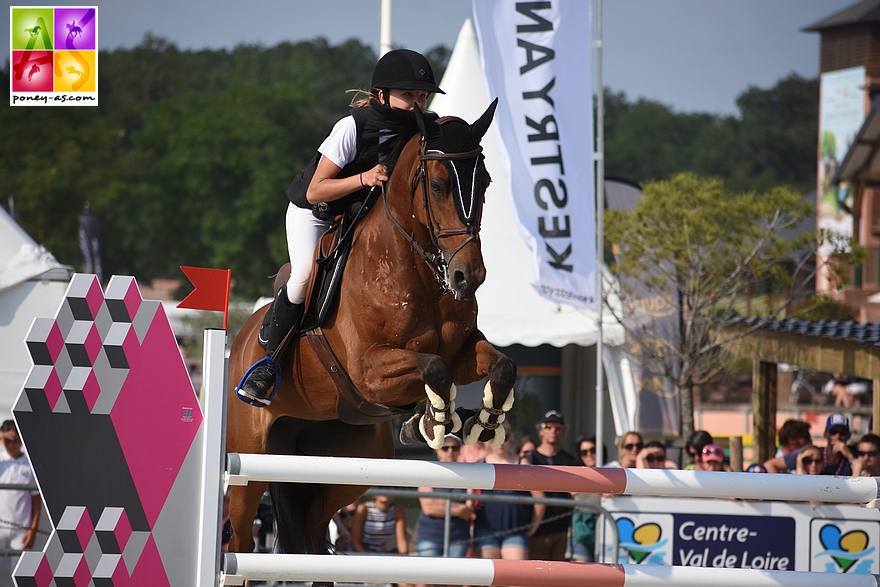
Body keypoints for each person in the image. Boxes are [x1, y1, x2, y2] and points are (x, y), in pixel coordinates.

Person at [237, 48, 445, 406]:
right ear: (382, 95)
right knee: (303, 276)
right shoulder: (352, 127)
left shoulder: (422, 129)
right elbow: (318, 188)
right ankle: (268, 363)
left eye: (422, 96)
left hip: (364, 216)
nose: (417, 104)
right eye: (408, 95)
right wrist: (364, 178)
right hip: (316, 212)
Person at [472, 424, 544, 562]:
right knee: (489, 580)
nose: (499, 443)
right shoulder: (480, 465)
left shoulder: (522, 463)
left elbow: (540, 500)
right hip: (485, 529)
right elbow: (468, 499)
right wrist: (472, 507)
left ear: (510, 439)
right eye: (494, 437)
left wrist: (533, 526)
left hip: (515, 531)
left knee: (516, 580)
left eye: (504, 438)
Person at [522, 410, 576, 561]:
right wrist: (532, 527)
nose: (553, 430)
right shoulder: (529, 459)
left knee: (559, 580)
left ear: (564, 432)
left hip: (562, 531)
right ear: (540, 430)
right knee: (536, 579)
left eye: (558, 427)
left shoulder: (571, 461)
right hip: (536, 531)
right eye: (548, 426)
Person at [415, 434, 473, 563]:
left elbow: (469, 509)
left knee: (453, 581)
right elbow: (428, 508)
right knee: (426, 579)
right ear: (436, 450)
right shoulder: (427, 472)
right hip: (430, 536)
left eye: (455, 448)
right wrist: (458, 509)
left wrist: (438, 503)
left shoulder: (469, 474)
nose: (450, 451)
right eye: (445, 448)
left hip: (458, 537)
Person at [0, 421, 41, 587]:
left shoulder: (30, 465)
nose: (11, 444)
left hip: (21, 529)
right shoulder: (1, 462)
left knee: (18, 573)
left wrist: (33, 529)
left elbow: (36, 501)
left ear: (22, 440)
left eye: (15, 440)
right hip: (1, 527)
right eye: (6, 440)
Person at [571, 436, 602, 562]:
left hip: (605, 529)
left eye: (593, 450)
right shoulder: (574, 474)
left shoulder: (611, 471)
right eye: (584, 452)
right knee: (581, 576)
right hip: (582, 530)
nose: (589, 455)